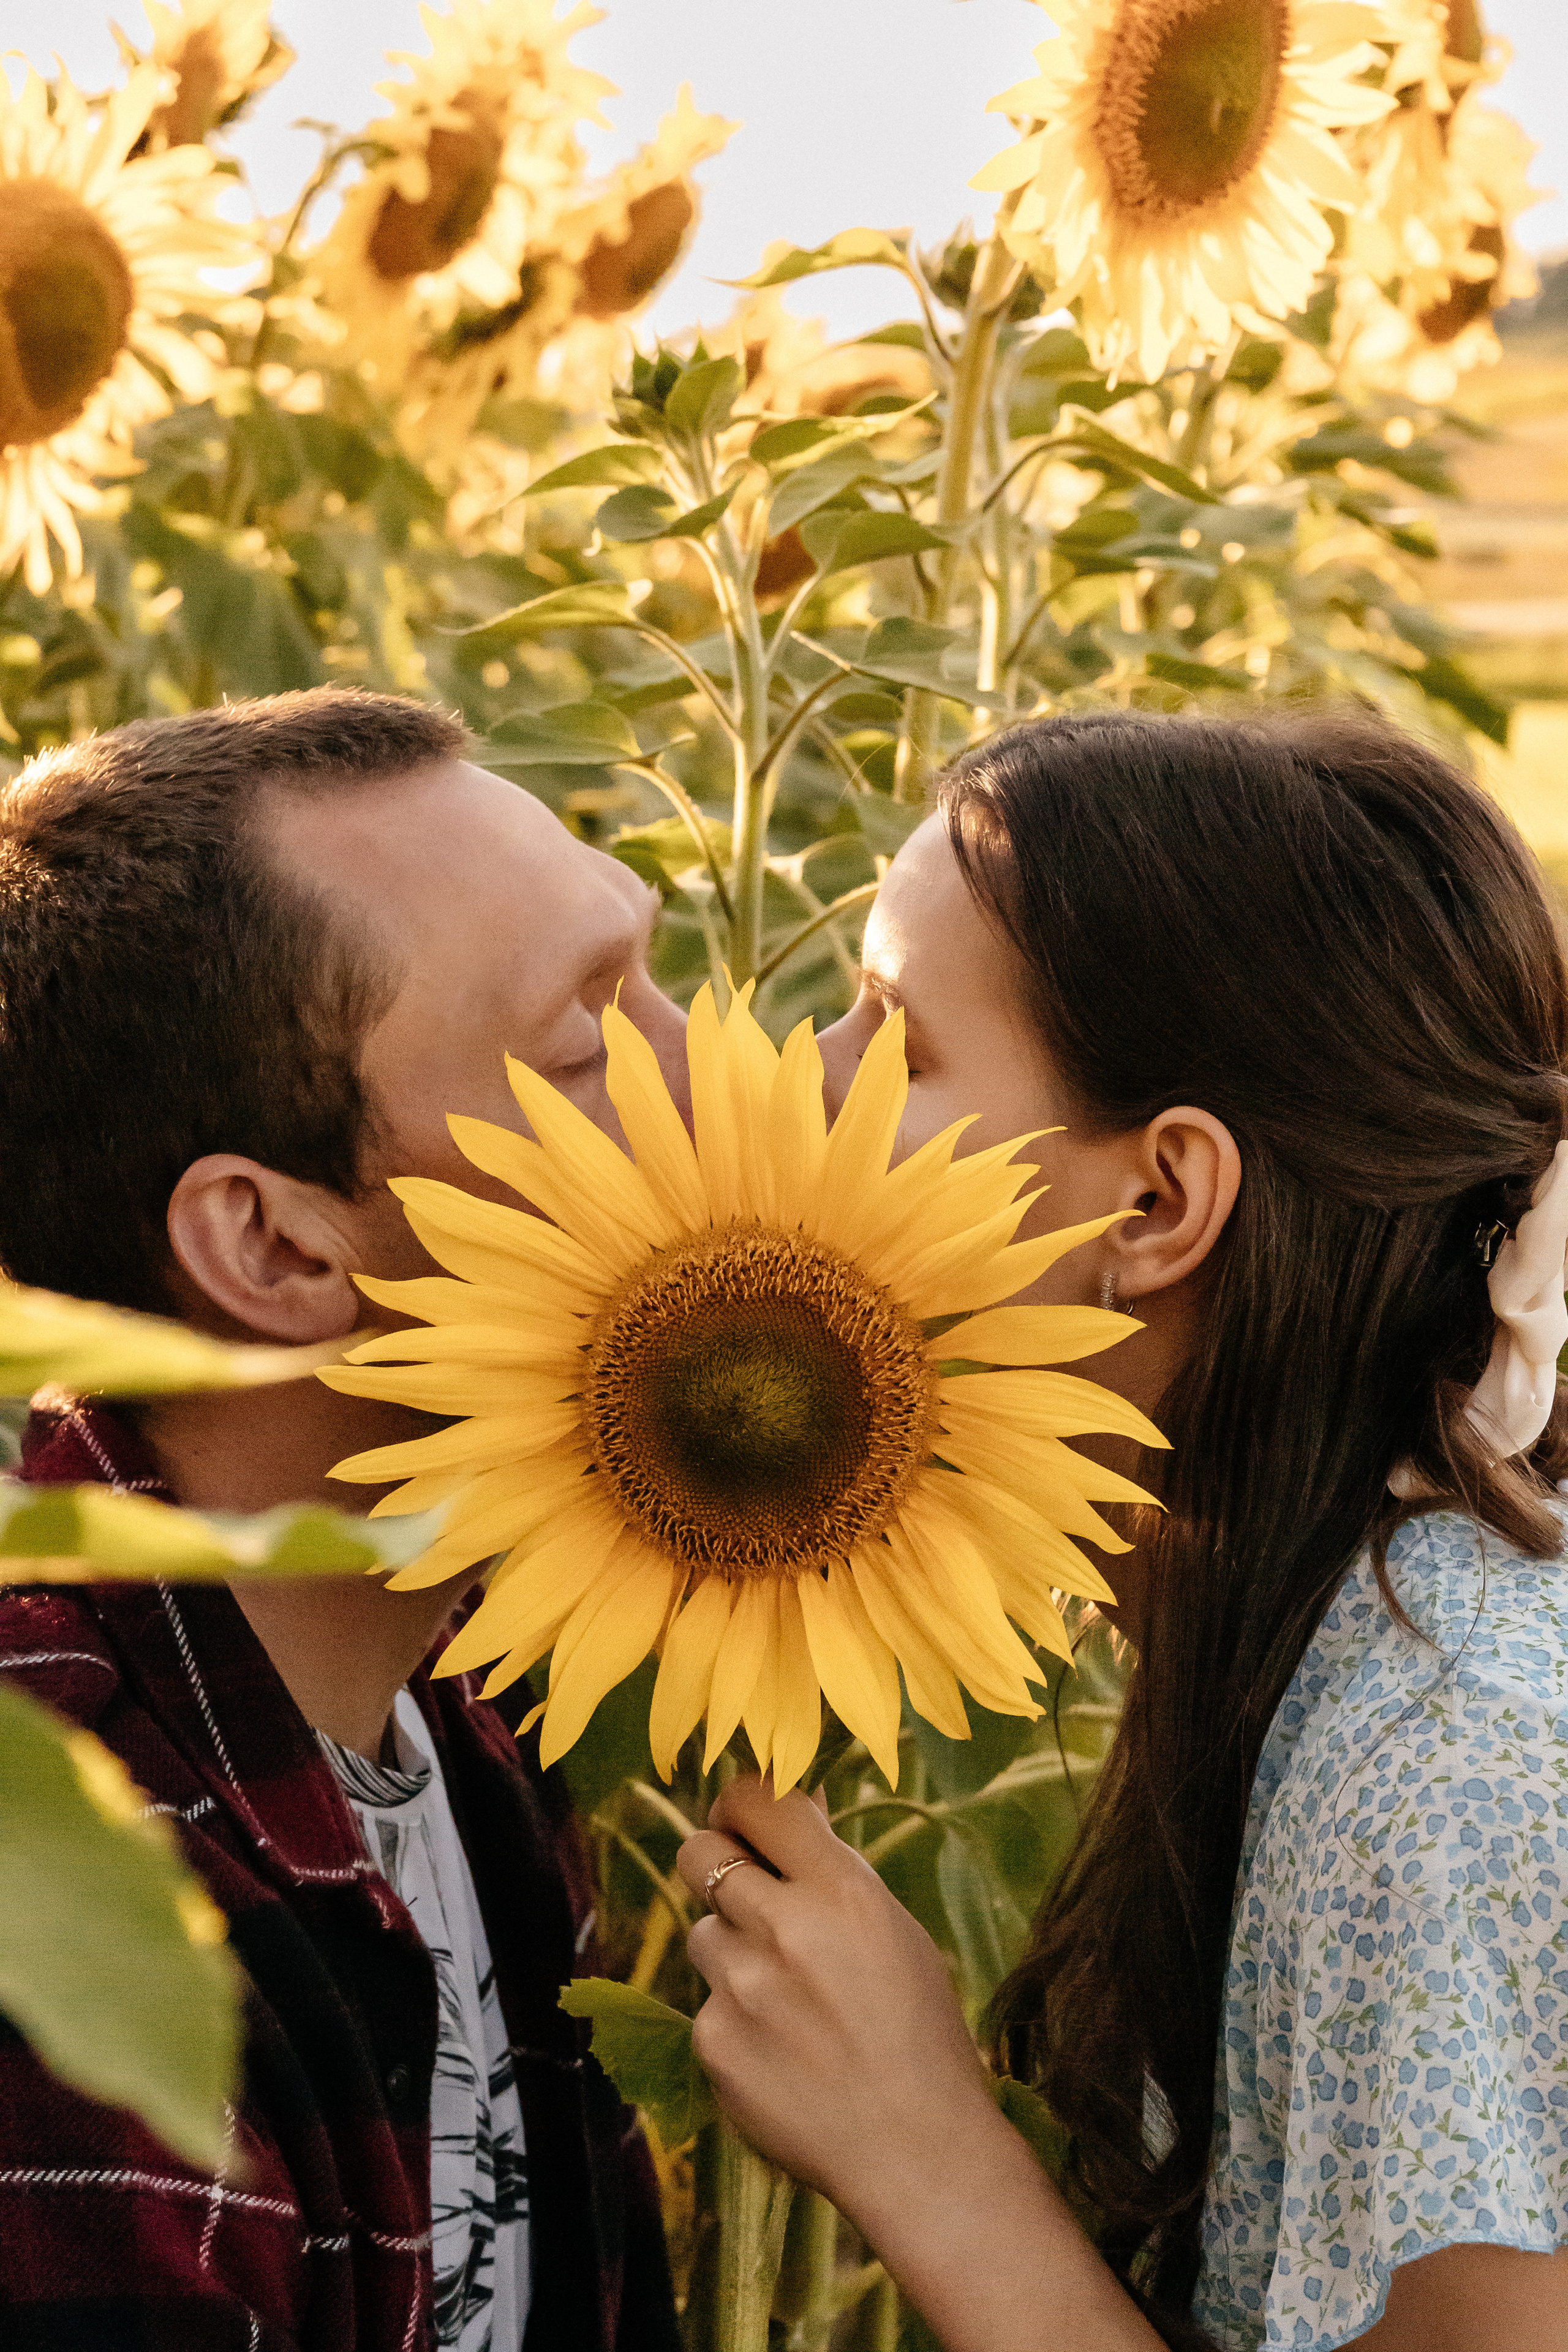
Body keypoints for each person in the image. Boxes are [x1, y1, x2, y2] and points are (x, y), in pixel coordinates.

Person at [673, 709, 1568, 2352]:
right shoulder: (1333, 1631)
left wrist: (927, 2155)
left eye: (899, 1038)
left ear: (1156, 1205)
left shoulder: (1445, 1773)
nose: (804, 1078)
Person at [0, 688, 688, 2352]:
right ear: (283, 1251)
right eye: (590, 1045)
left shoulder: (448, 1710)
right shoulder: (71, 1918)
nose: (715, 1075)